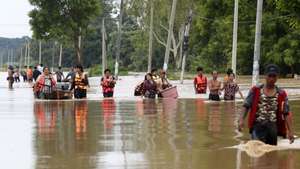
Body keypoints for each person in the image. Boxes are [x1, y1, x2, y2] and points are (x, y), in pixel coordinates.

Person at [238, 64, 295, 145]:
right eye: (270, 76)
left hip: (273, 128)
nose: (271, 79)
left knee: (271, 153)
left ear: (277, 77)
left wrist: (290, 131)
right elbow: (246, 105)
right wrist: (241, 120)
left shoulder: (282, 94)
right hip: (257, 126)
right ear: (265, 76)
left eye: (274, 76)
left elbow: (286, 113)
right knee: (256, 151)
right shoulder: (255, 90)